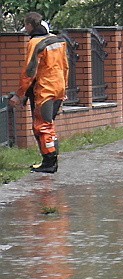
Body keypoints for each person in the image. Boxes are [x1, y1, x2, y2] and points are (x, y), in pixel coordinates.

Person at [8, 12, 69, 174]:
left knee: (42, 126)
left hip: (45, 89)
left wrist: (19, 94)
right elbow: (65, 66)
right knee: (48, 126)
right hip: (58, 87)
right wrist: (65, 88)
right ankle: (50, 160)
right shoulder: (58, 41)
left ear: (29, 25)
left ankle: (49, 163)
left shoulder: (35, 43)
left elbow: (29, 72)